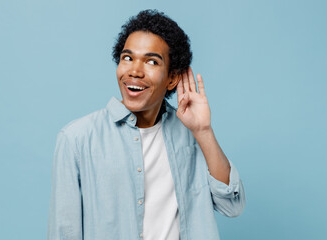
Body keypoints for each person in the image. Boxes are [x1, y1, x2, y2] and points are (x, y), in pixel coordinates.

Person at [48, 9, 245, 240]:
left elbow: (232, 206)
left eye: (151, 61)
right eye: (127, 58)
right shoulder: (76, 139)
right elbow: (64, 233)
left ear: (172, 78)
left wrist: (204, 131)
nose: (134, 71)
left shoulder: (191, 132)